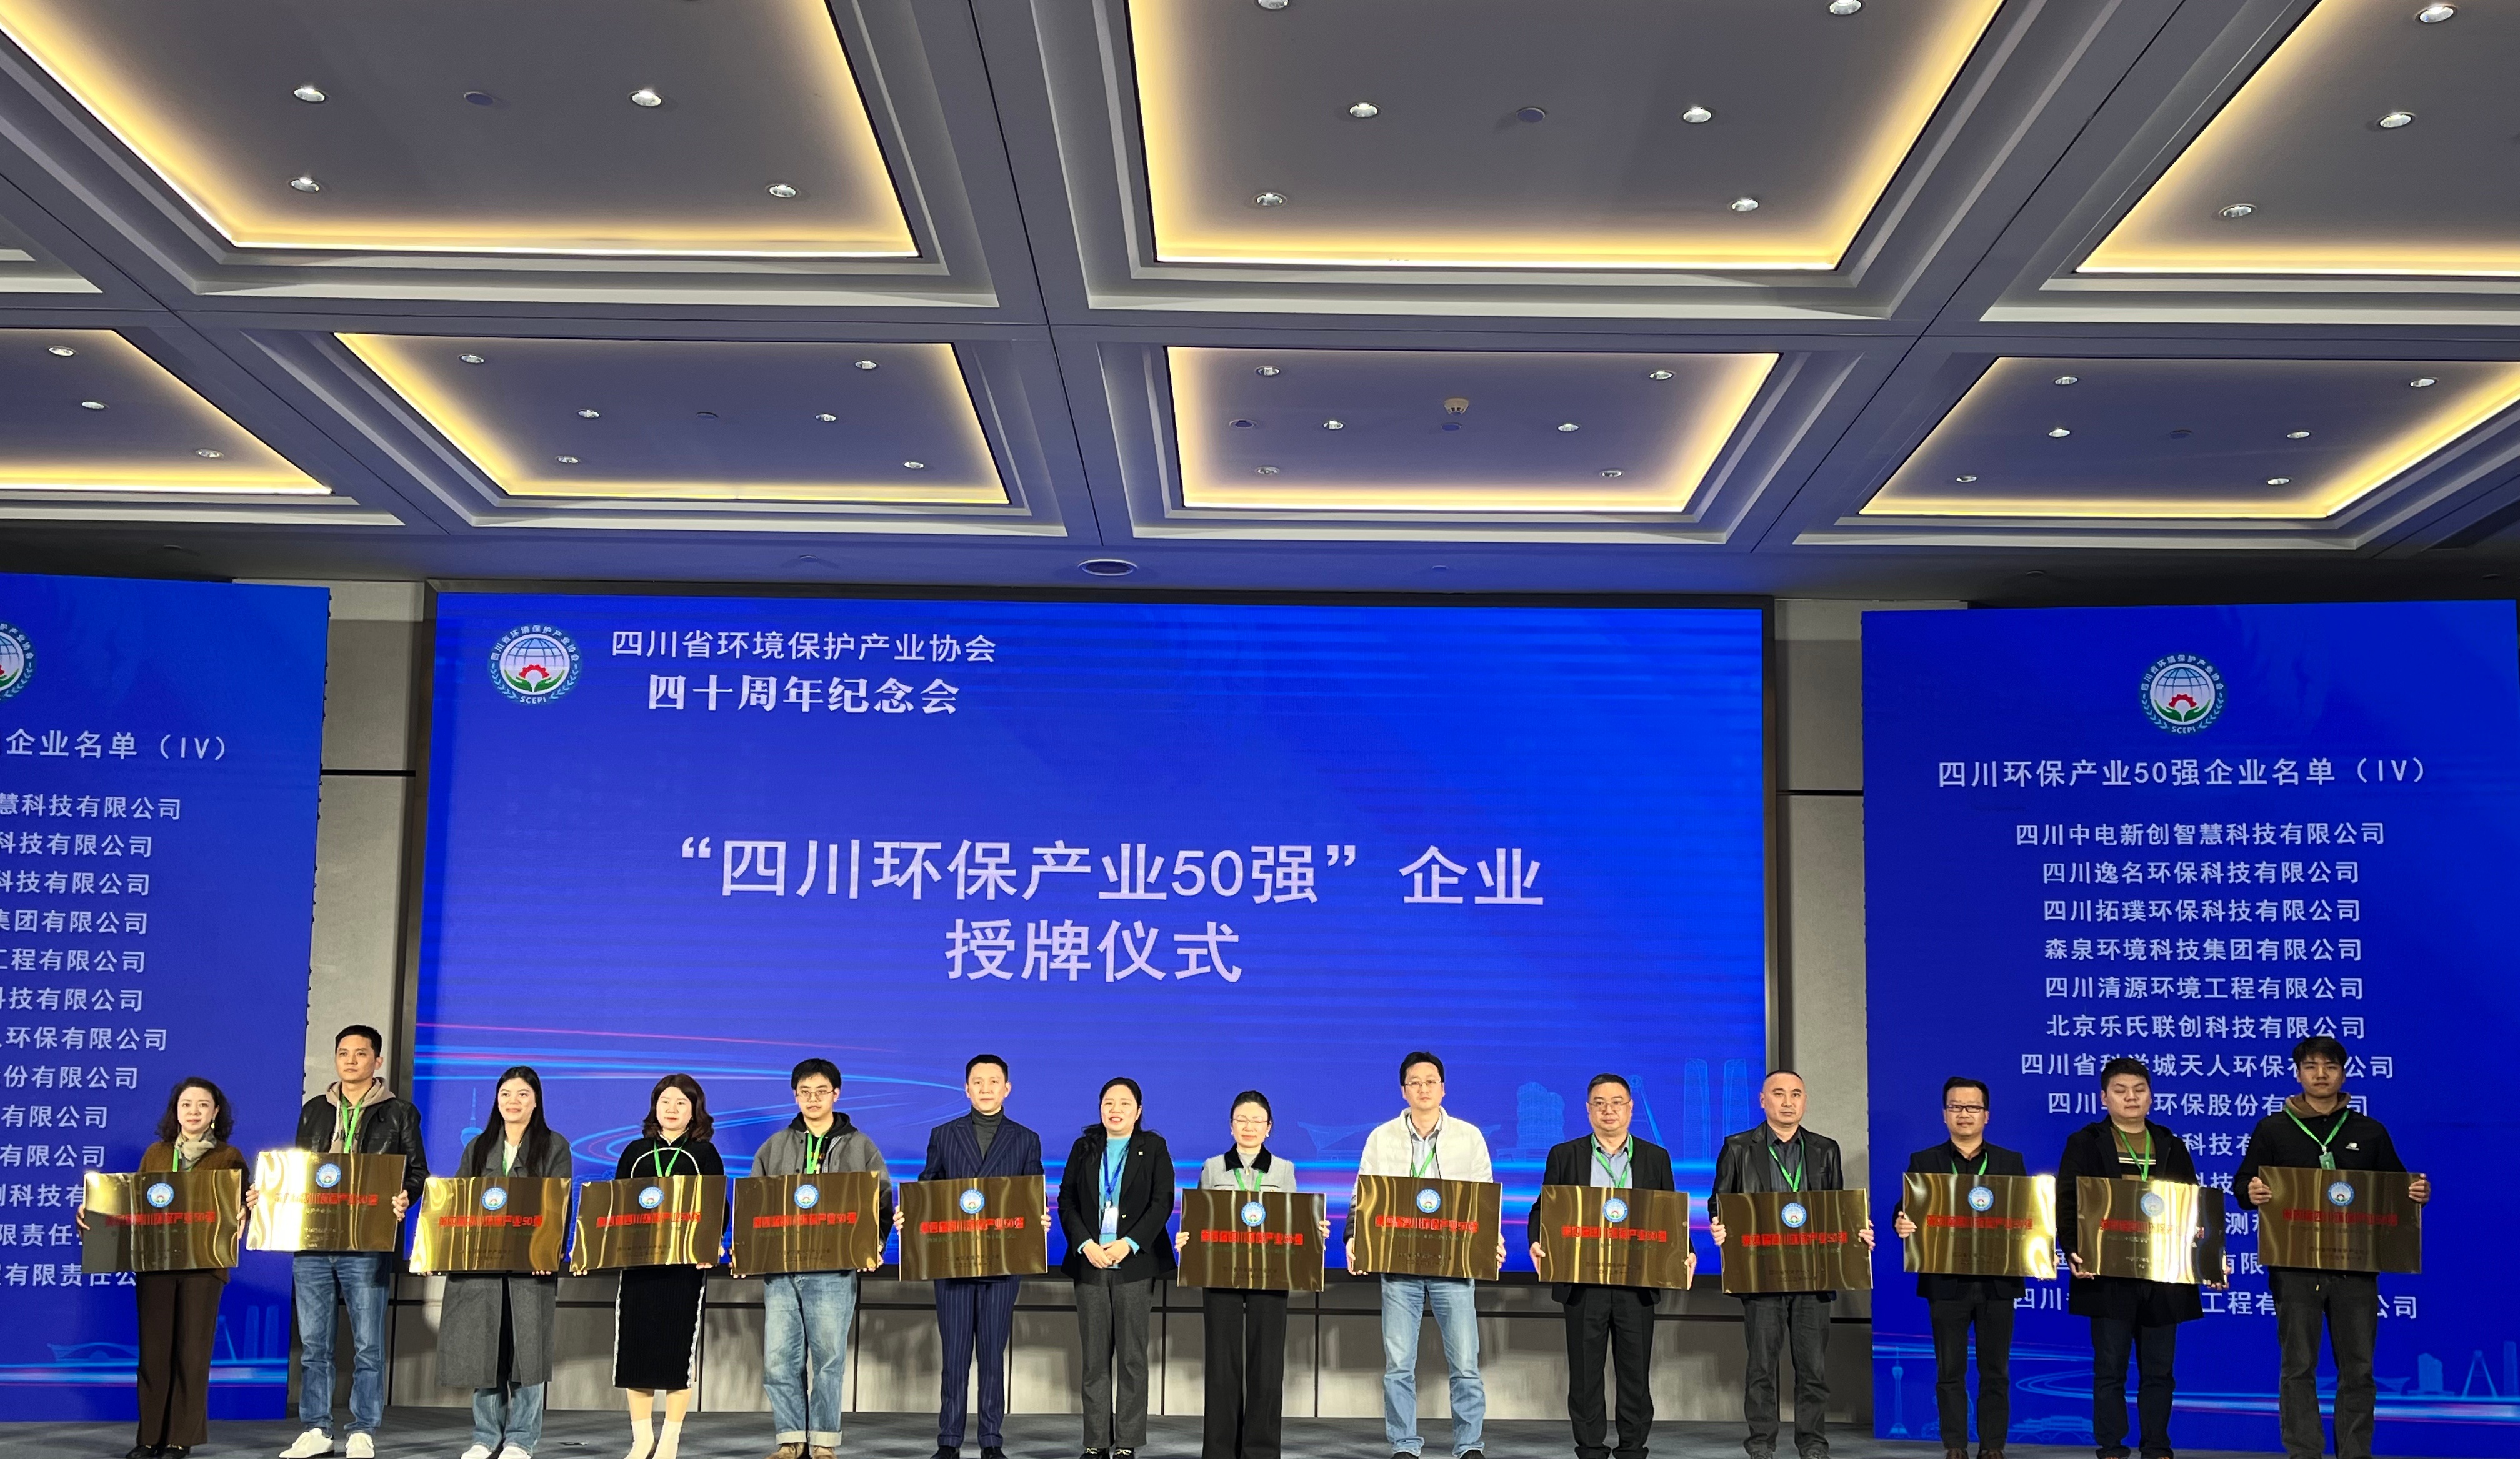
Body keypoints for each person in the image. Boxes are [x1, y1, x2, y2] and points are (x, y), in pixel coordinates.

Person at [2236, 1037, 2430, 1459]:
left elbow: (2397, 1190)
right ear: (2298, 1074)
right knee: (2298, 1366)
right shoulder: (2273, 1129)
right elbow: (2242, 1186)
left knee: (2358, 1368)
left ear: (2344, 1074)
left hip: (2355, 1268)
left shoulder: (2370, 1131)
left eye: (2330, 1066)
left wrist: (2417, 1193)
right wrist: (2252, 1191)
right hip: (2295, 1267)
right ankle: (2304, 1451)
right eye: (2311, 1066)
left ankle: (2355, 1452)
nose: (2320, 1074)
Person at [2058, 1057, 2225, 1459]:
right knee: (2110, 1368)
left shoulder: (2170, 1144)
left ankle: (2157, 1445)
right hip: (2107, 1273)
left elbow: (2193, 1207)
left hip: (2164, 1274)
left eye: (2139, 1090)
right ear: (2104, 1098)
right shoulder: (2086, 1142)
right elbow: (2068, 1200)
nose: (2130, 1098)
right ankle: (2112, 1446)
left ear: (2151, 1097)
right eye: (2120, 1091)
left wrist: (2209, 1257)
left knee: (2159, 1370)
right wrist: (2074, 1250)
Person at [76, 1077, 249, 1459]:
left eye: (203, 1105)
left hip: (204, 1267)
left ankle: (179, 1439)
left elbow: (241, 1209)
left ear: (216, 1112)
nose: (194, 1112)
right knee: (154, 1354)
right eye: (186, 1104)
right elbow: (134, 1205)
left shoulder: (229, 1157)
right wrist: (94, 1212)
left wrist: (246, 1209)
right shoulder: (156, 1154)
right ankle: (150, 1436)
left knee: (192, 1353)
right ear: (176, 1111)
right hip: (155, 1265)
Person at [278, 1025, 428, 1459]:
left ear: (377, 1061)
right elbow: (299, 1171)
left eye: (361, 1053)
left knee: (368, 1343)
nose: (350, 1060)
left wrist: (406, 1195)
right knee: (315, 1344)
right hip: (313, 1239)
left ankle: (363, 1430)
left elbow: (417, 1171)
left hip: (366, 1241)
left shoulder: (399, 1112)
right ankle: (317, 1428)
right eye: (343, 1052)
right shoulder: (314, 1110)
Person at [1709, 1069, 1874, 1459]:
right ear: (1762, 1101)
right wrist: (1719, 1223)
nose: (1788, 1102)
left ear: (1805, 1100)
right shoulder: (1738, 1147)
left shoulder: (1825, 1149)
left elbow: (1836, 1206)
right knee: (1762, 1367)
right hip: (1761, 1272)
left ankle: (1812, 1443)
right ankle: (1761, 1444)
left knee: (1813, 1368)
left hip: (1814, 1274)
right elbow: (1720, 1200)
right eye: (1779, 1094)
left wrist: (1857, 1230)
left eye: (1796, 1094)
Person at [1349, 1050, 1501, 1459]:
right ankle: (1404, 1443)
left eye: (1431, 1081)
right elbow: (1363, 1194)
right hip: (1399, 1260)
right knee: (1399, 1363)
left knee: (1465, 1361)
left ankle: (1469, 1443)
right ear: (1404, 1090)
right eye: (1415, 1082)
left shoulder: (1469, 1136)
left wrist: (1491, 1239)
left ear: (1443, 1088)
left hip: (1454, 1262)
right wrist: (1353, 1237)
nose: (1423, 1088)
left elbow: (1484, 1196)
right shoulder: (1382, 1137)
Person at [1529, 1073, 1686, 1459]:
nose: (1608, 1110)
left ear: (1631, 1108)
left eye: (1617, 1103)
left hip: (1638, 1281)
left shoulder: (1655, 1157)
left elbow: (1670, 1215)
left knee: (1635, 1372)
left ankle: (1633, 1448)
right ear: (1588, 1110)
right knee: (1585, 1373)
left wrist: (1688, 1249)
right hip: (1583, 1281)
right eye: (1599, 1103)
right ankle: (1590, 1448)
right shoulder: (1565, 1155)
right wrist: (1536, 1239)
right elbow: (1543, 1209)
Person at [752, 1057, 893, 1459]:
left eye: (821, 1091)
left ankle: (824, 1442)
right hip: (782, 1268)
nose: (813, 1099)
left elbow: (881, 1201)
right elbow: (755, 1204)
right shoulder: (775, 1147)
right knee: (779, 1359)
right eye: (805, 1092)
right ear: (795, 1096)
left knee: (829, 1360)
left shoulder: (861, 1146)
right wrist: (751, 1250)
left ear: (836, 1094)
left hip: (835, 1270)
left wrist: (874, 1244)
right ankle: (790, 1439)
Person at [1176, 1090, 1328, 1459]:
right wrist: (1186, 1238)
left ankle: (1261, 1450)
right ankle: (1219, 1450)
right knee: (1221, 1365)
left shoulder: (1284, 1169)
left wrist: (1313, 1230)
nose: (1249, 1127)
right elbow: (1201, 1218)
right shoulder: (1213, 1168)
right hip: (1221, 1273)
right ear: (1231, 1126)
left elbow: (1293, 1220)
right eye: (1241, 1120)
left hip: (1271, 1274)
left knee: (1267, 1365)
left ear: (1269, 1127)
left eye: (1257, 1120)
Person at [912, 1053, 1044, 1459]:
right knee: (954, 1357)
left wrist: (1039, 1218)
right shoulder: (943, 1135)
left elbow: (1032, 1194)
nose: (986, 1089)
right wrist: (911, 1211)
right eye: (978, 1082)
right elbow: (928, 1187)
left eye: (994, 1081)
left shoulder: (1026, 1139)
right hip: (952, 1262)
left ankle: (991, 1440)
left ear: (1007, 1088)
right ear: (966, 1089)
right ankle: (949, 1440)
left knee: (992, 1356)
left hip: (1003, 1263)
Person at [1890, 1078, 2026, 1459]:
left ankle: (1993, 1445)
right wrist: (1901, 1221)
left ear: (1987, 1115)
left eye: (1972, 1107)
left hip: (1997, 1282)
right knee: (1950, 1370)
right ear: (1944, 1115)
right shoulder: (1925, 1161)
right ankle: (1955, 1444)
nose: (1964, 1114)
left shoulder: (2009, 1162)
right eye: (1956, 1107)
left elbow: (2025, 1213)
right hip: (1946, 1280)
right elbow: (1906, 1208)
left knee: (1995, 1370)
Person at [439, 1067, 571, 1459]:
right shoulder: (479, 1146)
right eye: (506, 1094)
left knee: (527, 1355)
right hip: (482, 1268)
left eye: (523, 1094)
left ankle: (521, 1439)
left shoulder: (554, 1145)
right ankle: (485, 1436)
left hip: (531, 1268)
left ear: (536, 1101)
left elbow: (560, 1204)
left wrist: (550, 1252)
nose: (513, 1102)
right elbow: (458, 1202)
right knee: (484, 1353)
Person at [1058, 1078, 1176, 1459]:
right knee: (1094, 1358)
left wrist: (1129, 1243)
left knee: (1131, 1358)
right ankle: (1096, 1441)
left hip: (1134, 1264)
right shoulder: (1084, 1147)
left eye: (1125, 1103)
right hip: (1091, 1262)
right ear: (1100, 1108)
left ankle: (1127, 1443)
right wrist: (1086, 1244)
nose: (1116, 1110)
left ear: (1138, 1111)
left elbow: (1162, 1203)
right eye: (1109, 1102)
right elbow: (1067, 1201)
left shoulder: (1153, 1147)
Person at [611, 1074, 724, 1459]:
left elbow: (716, 1206)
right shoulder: (635, 1152)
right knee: (636, 1350)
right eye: (665, 1102)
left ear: (694, 1111)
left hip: (684, 1267)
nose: (672, 1109)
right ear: (654, 1108)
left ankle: (671, 1439)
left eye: (681, 1103)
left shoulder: (704, 1154)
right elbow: (616, 1204)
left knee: (677, 1353)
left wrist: (709, 1245)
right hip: (639, 1265)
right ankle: (642, 1439)